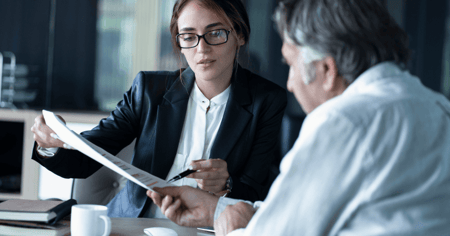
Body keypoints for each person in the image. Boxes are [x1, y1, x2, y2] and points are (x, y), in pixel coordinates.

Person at [147, 0, 450, 235]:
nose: (290, 83)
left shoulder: (343, 122)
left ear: (327, 71)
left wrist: (232, 228)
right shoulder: (434, 106)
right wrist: (217, 209)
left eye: (291, 64)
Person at [31, 0, 287, 218]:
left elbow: (258, 193)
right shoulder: (149, 90)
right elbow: (86, 158)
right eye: (188, 36)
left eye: (216, 33)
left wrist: (227, 185)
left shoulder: (267, 101)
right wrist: (51, 143)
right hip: (133, 227)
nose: (201, 48)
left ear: (240, 35)